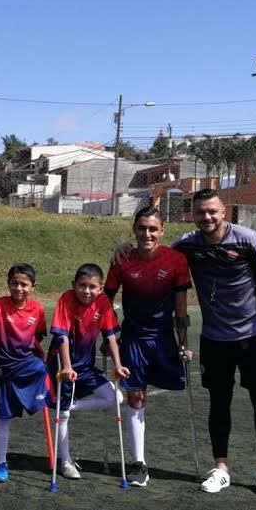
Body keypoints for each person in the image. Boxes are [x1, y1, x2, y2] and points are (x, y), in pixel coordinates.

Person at [114, 189, 256, 499]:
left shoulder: (248, 240)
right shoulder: (187, 245)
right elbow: (155, 251)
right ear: (192, 214)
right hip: (215, 338)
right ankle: (221, 468)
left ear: (224, 212)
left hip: (254, 335)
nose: (207, 217)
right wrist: (125, 248)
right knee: (219, 403)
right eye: (200, 212)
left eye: (212, 211)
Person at [105, 207, 192, 487]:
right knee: (136, 396)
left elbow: (181, 306)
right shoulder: (122, 260)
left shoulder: (176, 260)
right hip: (133, 338)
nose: (147, 234)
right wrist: (108, 336)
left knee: (156, 391)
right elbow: (106, 300)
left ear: (162, 231)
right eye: (142, 228)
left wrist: (184, 344)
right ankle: (138, 463)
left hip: (164, 339)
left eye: (153, 229)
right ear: (134, 230)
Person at [48, 263, 129, 480]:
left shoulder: (103, 302)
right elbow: (61, 336)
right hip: (62, 364)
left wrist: (118, 365)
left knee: (116, 398)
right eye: (82, 285)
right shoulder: (66, 299)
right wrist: (67, 366)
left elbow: (110, 336)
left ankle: (71, 406)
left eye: (92, 287)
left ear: (101, 289)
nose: (86, 291)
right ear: (73, 285)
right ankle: (65, 461)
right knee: (62, 416)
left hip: (85, 367)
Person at [0, 263, 50, 483]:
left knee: (42, 368)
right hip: (5, 368)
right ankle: (1, 462)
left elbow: (39, 336)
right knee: (3, 418)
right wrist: (5, 351)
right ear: (8, 284)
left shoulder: (38, 309)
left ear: (32, 287)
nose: (19, 288)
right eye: (14, 283)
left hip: (28, 365)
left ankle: (35, 400)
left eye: (24, 284)